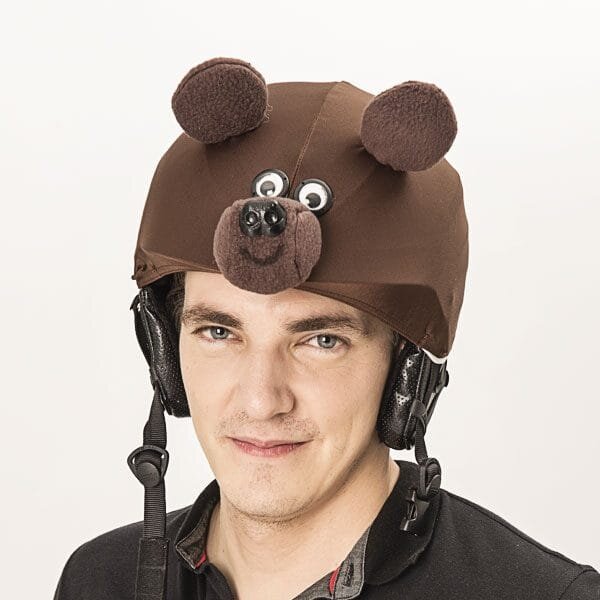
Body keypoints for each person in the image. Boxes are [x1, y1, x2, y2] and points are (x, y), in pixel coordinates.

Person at [53, 56, 599, 600]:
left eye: (321, 341)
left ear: (408, 378)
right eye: (219, 332)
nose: (261, 401)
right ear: (163, 356)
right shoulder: (98, 580)